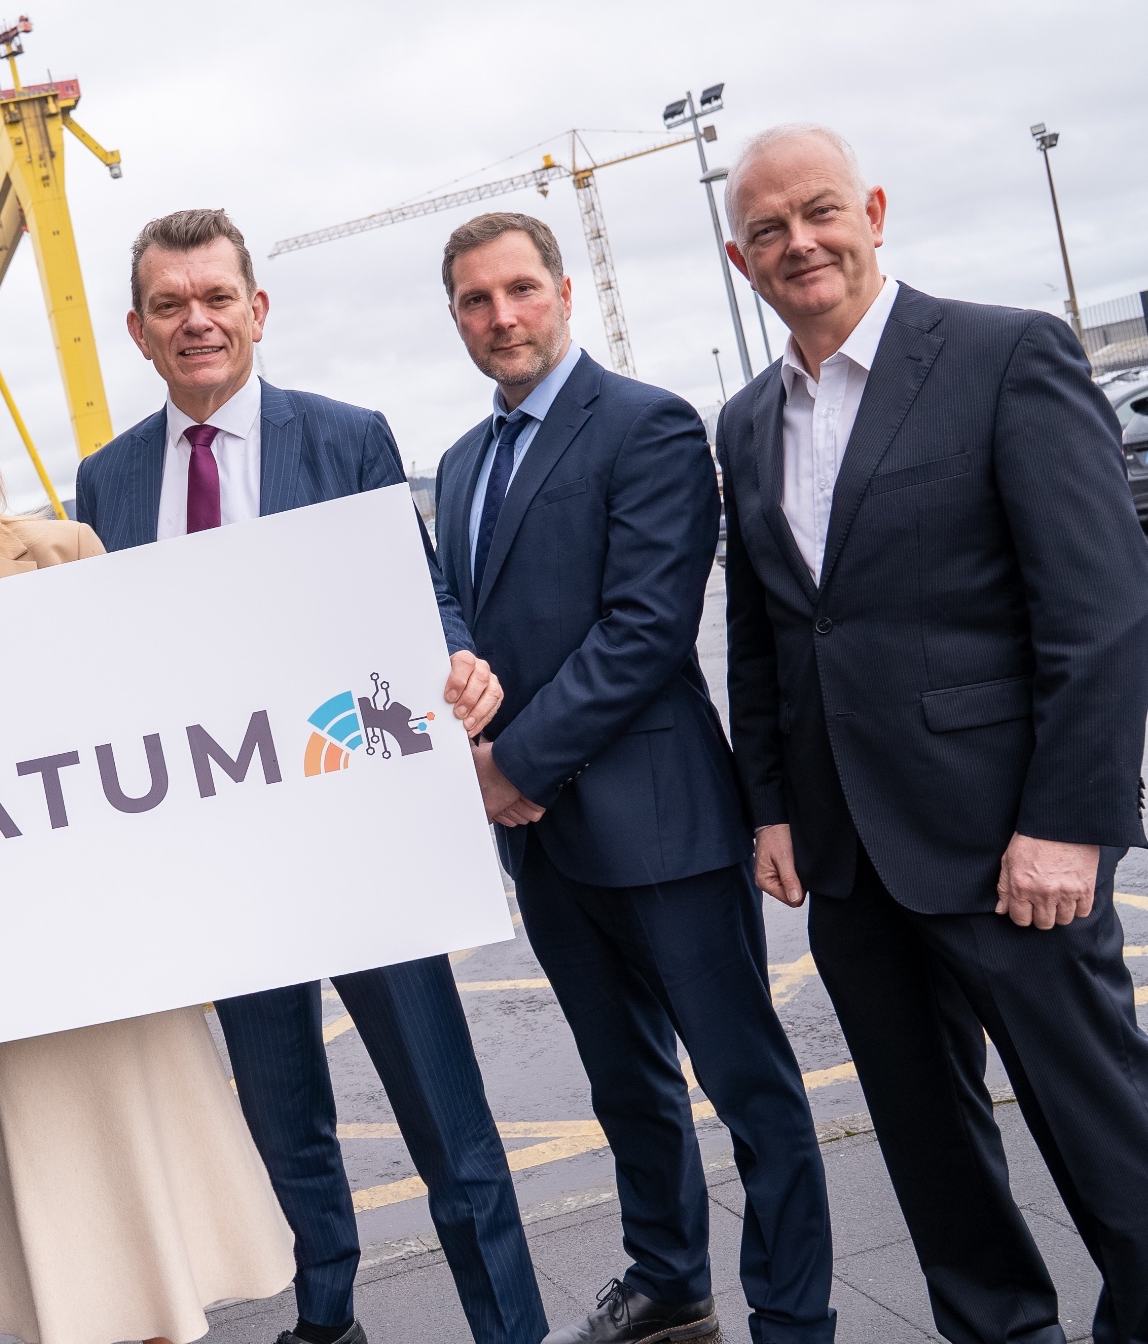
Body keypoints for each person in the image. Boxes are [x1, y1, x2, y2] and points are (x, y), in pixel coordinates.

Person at [717, 124, 1148, 1344]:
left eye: (818, 211)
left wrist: (1065, 825)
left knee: (1103, 1129)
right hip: (848, 861)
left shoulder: (1001, 354)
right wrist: (769, 807)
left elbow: (1099, 610)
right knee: (927, 1149)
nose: (798, 242)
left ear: (871, 211)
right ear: (739, 259)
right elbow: (765, 634)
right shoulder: (744, 421)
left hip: (1007, 843)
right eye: (766, 229)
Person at [76, 207, 538, 1344]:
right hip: (226, 864)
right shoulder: (107, 482)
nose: (196, 321)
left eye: (215, 298)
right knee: (285, 1130)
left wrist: (456, 657)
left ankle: (510, 1331)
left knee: (449, 1126)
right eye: (169, 305)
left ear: (257, 309)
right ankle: (326, 1323)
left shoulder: (344, 438)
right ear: (136, 330)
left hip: (359, 831)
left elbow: (416, 590)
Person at [0, 365, 296, 1344]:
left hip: (112, 961)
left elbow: (146, 734)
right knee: (67, 1269)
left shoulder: (67, 554)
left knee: (157, 1246)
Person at [432, 213, 833, 1344]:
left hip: (660, 824)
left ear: (564, 293)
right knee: (624, 1085)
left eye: (520, 289)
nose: (502, 316)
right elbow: (454, 610)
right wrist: (472, 727)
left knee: (746, 1084)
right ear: (455, 317)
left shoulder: (647, 423)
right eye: (475, 300)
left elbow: (646, 629)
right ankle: (668, 1278)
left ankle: (791, 1313)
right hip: (545, 843)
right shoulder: (458, 464)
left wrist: (509, 766)